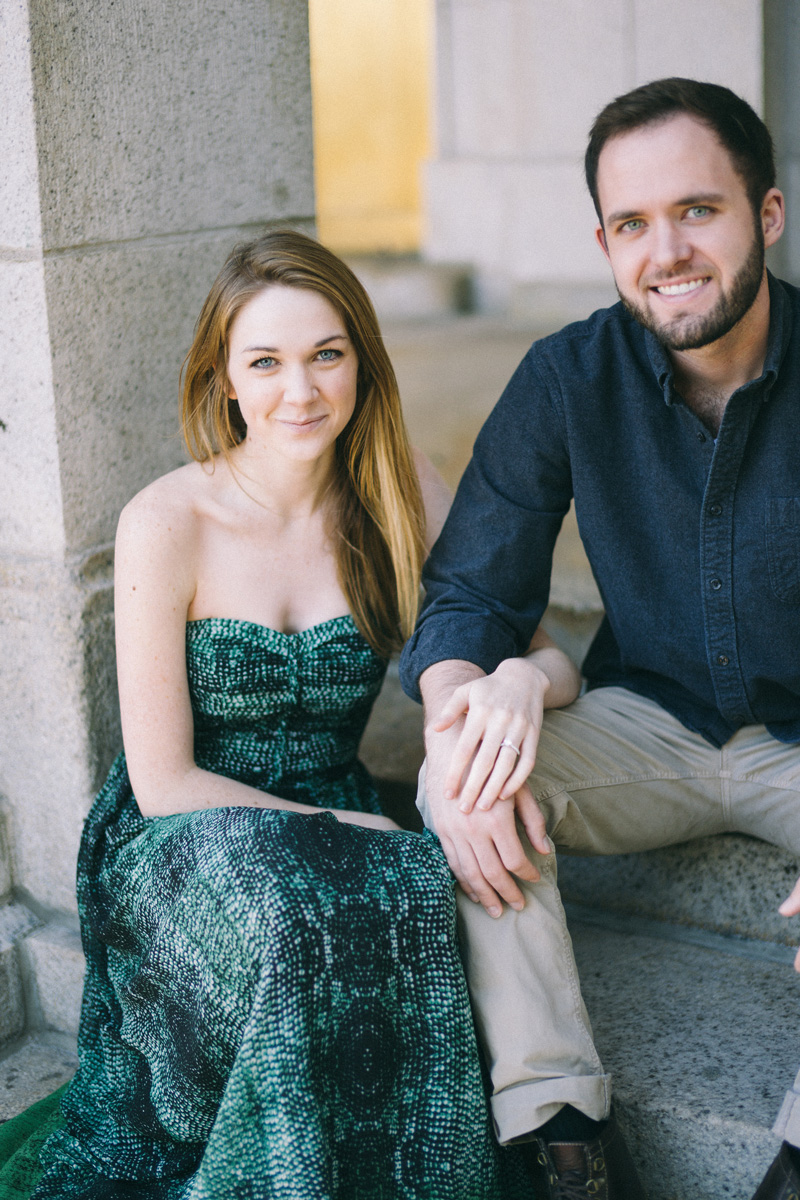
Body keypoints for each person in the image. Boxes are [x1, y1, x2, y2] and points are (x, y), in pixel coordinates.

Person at [3, 230, 581, 1200]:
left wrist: (518, 685)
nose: (299, 390)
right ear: (224, 381)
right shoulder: (167, 521)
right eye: (265, 362)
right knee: (292, 907)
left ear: (361, 358)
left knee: (403, 882)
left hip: (329, 799)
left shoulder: (400, 492)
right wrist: (333, 826)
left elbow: (546, 656)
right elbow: (163, 780)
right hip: (177, 836)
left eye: (326, 354)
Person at [399, 77, 800, 1200]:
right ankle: (559, 1130)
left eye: (696, 211)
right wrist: (468, 703)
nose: (664, 251)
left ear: (763, 215)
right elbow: (468, 593)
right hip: (648, 719)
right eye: (631, 225)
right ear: (603, 243)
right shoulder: (566, 379)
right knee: (461, 771)